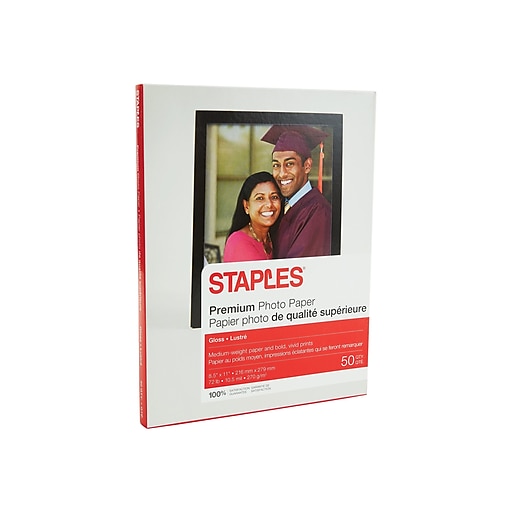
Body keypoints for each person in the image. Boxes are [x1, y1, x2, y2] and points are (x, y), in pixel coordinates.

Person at [261, 124, 332, 259]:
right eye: (276, 165)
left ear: (307, 166)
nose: (281, 174)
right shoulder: (279, 206)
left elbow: (300, 268)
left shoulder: (318, 212)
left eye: (289, 164)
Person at [223, 171, 283, 262]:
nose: (269, 204)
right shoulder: (238, 242)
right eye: (260, 198)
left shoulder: (275, 237)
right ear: (246, 206)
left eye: (274, 197)